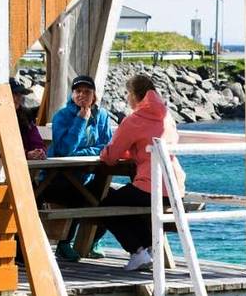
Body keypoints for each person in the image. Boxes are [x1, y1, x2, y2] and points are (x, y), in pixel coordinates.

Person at [97, 73, 185, 271]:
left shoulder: (134, 120)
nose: (127, 98)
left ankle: (138, 250)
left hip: (151, 186)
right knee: (129, 202)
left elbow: (110, 156)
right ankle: (148, 249)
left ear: (135, 95)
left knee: (106, 205)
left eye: (128, 94)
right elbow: (150, 143)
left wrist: (105, 151)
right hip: (174, 186)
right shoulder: (166, 116)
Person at [46, 74, 113, 261]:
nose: (82, 95)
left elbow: (106, 147)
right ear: (72, 94)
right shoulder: (62, 116)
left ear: (94, 95)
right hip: (59, 178)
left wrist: (82, 153)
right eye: (78, 91)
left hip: (89, 177)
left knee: (111, 198)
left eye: (87, 91)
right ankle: (64, 243)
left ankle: (93, 241)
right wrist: (81, 120)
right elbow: (64, 150)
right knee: (77, 197)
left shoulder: (103, 115)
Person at [0, 78, 46, 159]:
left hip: (24, 166)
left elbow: (37, 142)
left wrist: (39, 152)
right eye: (15, 94)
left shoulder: (26, 116)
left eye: (20, 94)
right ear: (3, 95)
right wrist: (26, 155)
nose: (18, 98)